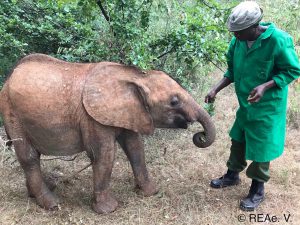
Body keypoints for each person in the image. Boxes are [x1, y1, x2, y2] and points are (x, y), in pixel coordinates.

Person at [205, 1, 300, 211]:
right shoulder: (237, 42)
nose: (235, 36)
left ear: (255, 26)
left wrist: (266, 86)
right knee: (237, 139)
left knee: (261, 149)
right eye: (233, 31)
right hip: (246, 105)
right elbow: (231, 71)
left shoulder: (279, 40)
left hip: (268, 107)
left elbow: (293, 70)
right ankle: (232, 175)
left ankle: (258, 189)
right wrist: (215, 89)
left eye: (239, 32)